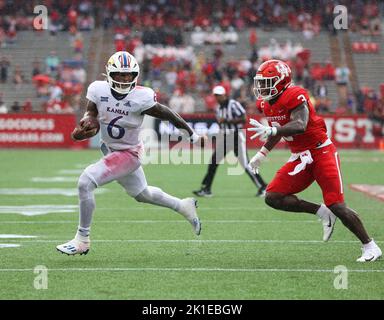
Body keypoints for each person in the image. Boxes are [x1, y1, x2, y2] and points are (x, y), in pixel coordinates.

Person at [56, 51, 202, 256]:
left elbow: (168, 113)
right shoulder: (98, 90)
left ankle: (82, 239)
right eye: (120, 74)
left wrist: (191, 135)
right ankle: (183, 206)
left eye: (129, 74)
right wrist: (86, 125)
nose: (125, 79)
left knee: (85, 182)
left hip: (129, 153)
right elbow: (91, 113)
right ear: (109, 74)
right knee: (143, 194)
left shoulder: (141, 97)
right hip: (111, 150)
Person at [247, 59, 382, 262]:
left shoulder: (295, 94)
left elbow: (300, 124)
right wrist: (262, 153)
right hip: (301, 157)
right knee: (273, 196)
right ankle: (322, 212)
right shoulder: (267, 103)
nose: (262, 87)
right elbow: (276, 129)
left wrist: (273, 130)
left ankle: (370, 246)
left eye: (267, 82)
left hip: (321, 152)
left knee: (337, 204)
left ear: (282, 81)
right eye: (261, 82)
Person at [193, 85, 267, 198]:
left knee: (246, 164)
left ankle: (263, 187)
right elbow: (220, 123)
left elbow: (243, 118)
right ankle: (206, 189)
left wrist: (227, 120)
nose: (217, 98)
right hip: (226, 137)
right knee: (213, 162)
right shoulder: (218, 108)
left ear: (224, 95)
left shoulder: (233, 104)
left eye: (219, 95)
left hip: (236, 136)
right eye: (216, 95)